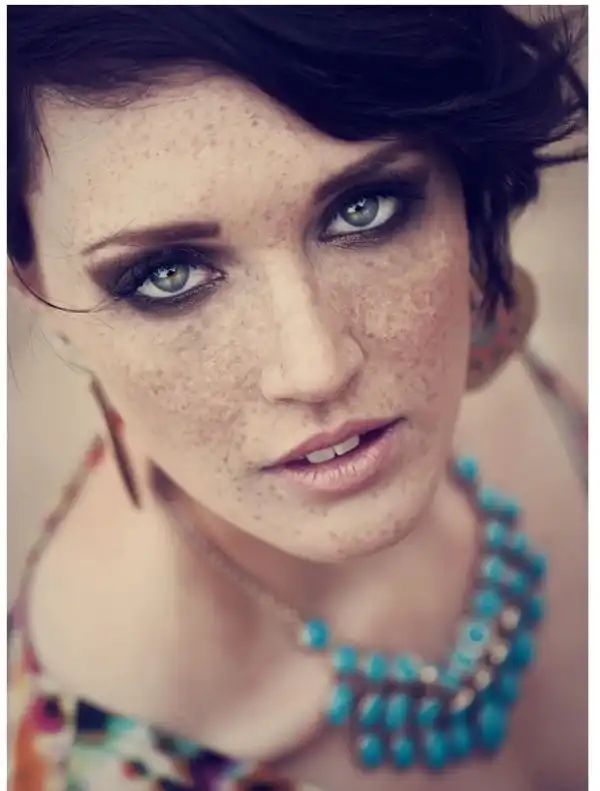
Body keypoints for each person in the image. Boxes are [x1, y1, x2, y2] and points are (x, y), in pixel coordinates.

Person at [7, 7, 588, 791]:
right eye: (167, 273)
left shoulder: (493, 354)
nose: (316, 368)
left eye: (365, 208)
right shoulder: (99, 762)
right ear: (38, 295)